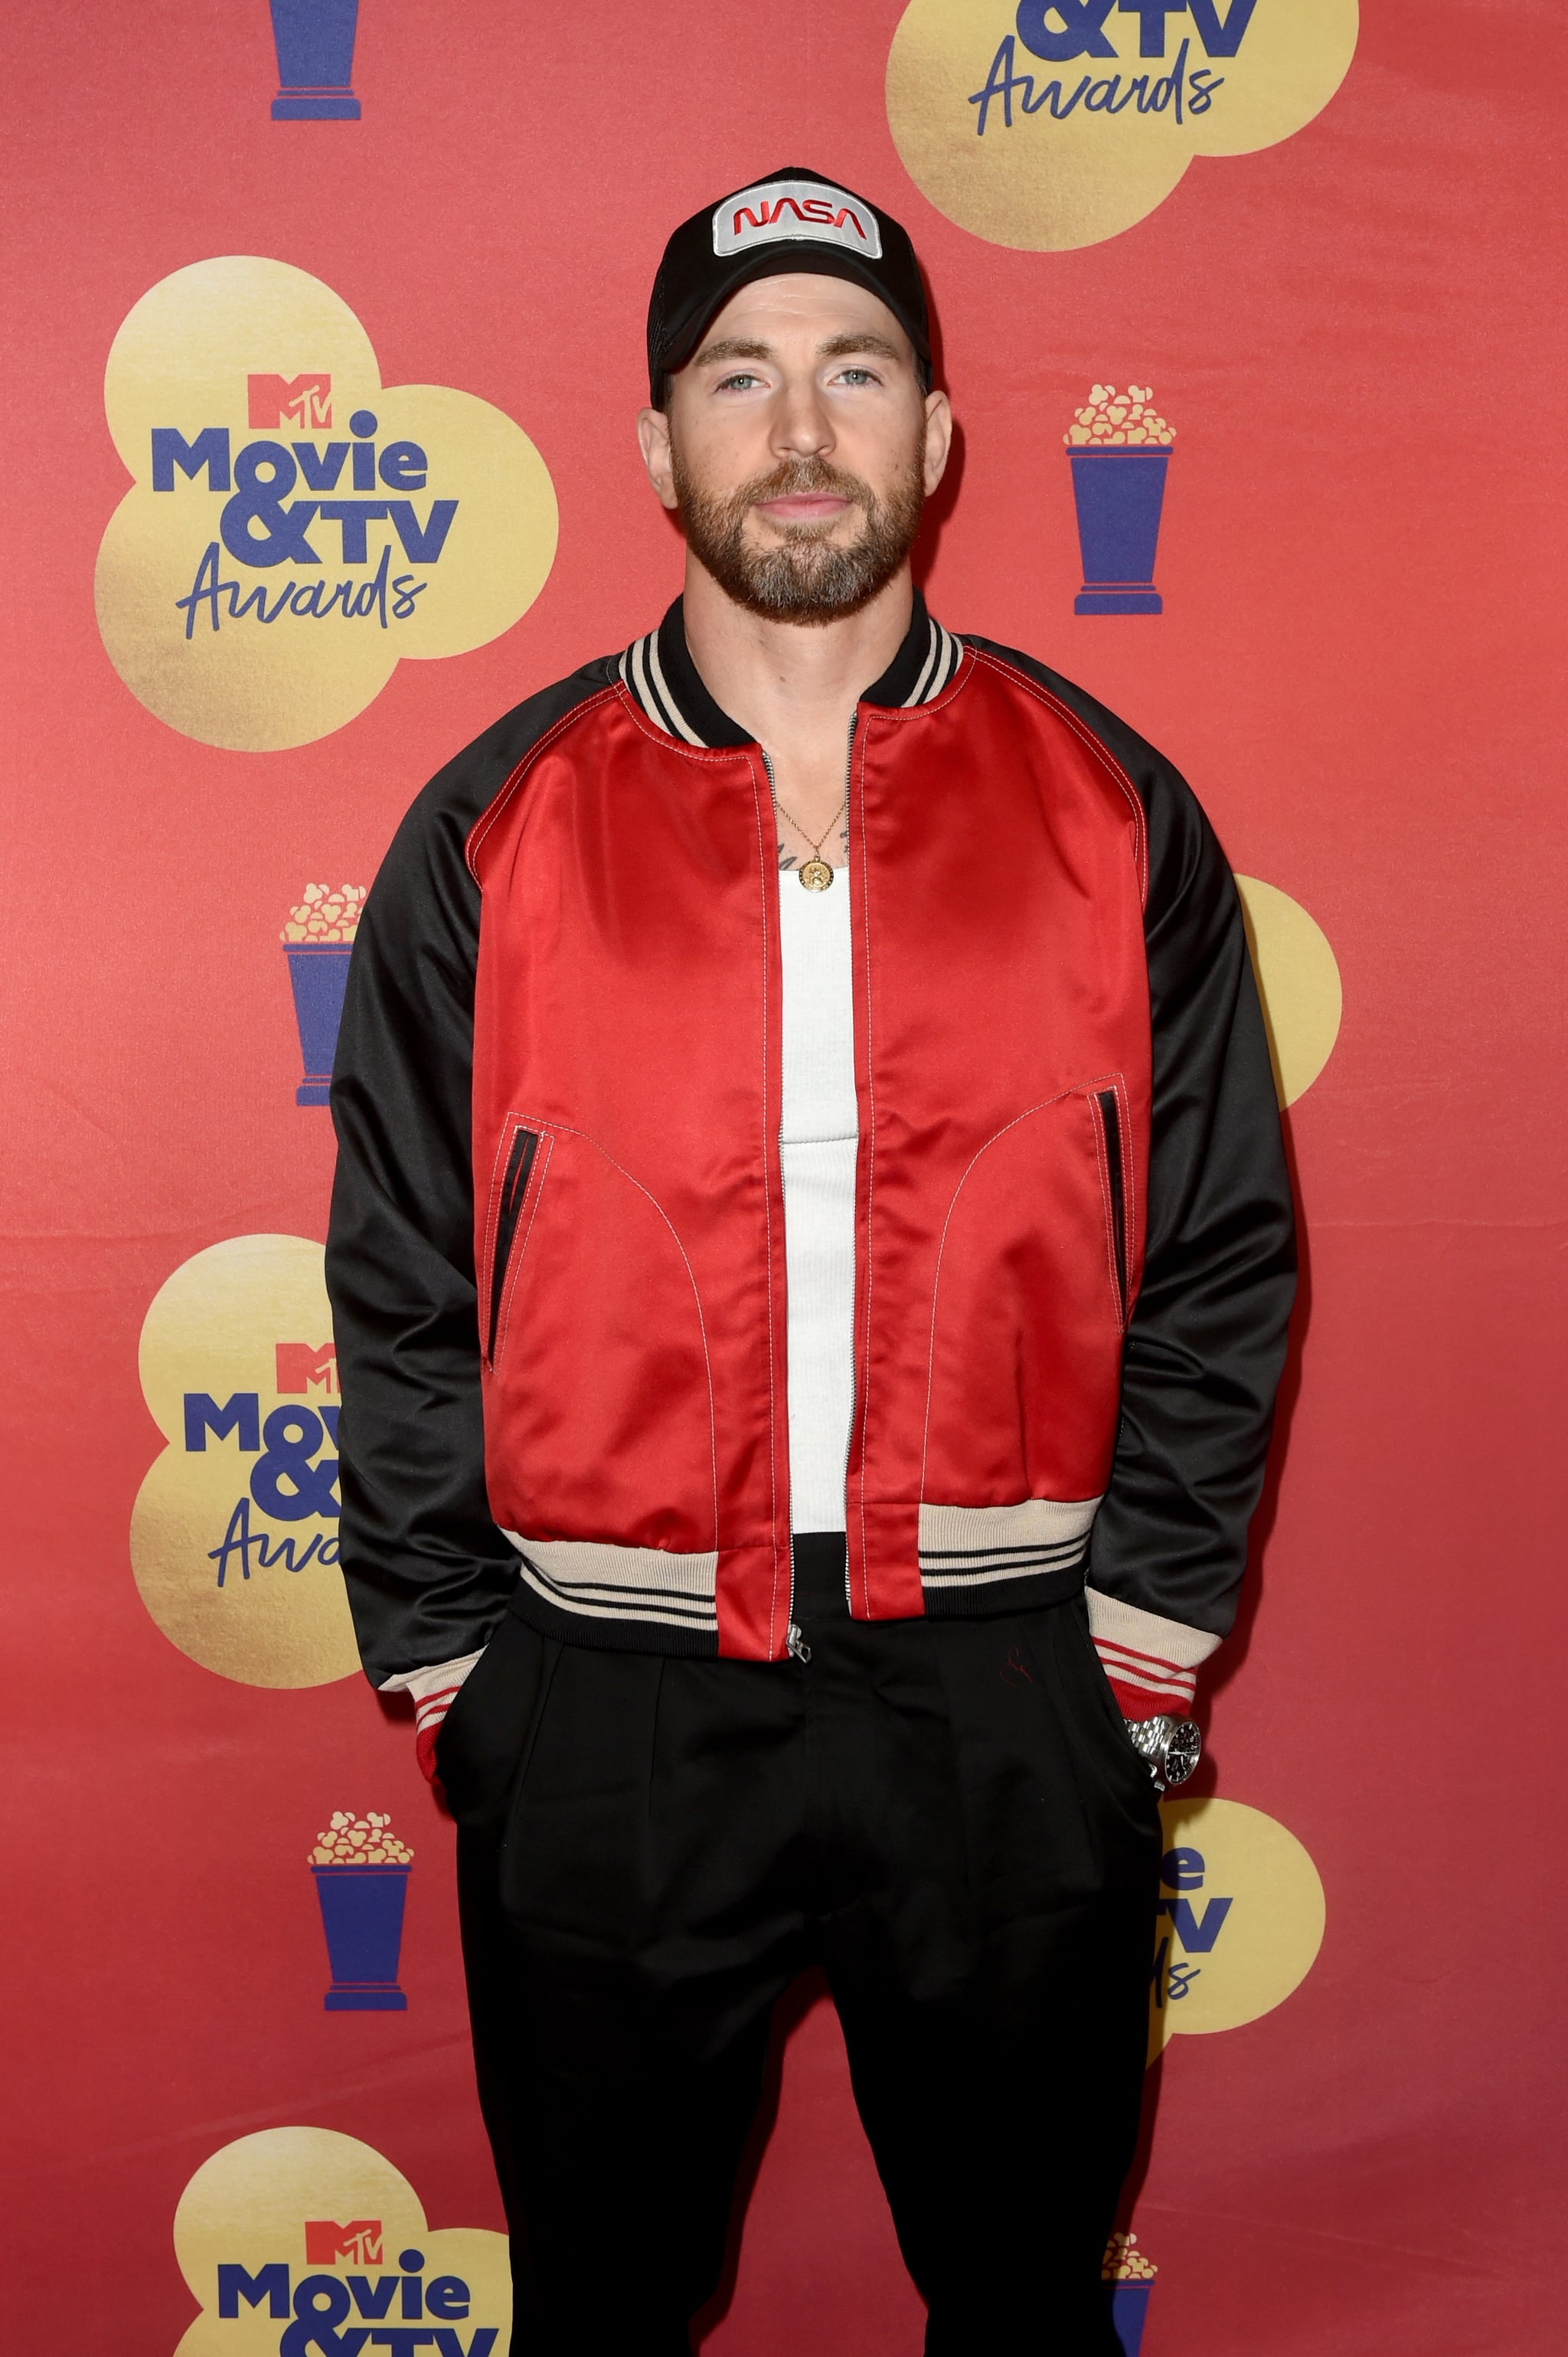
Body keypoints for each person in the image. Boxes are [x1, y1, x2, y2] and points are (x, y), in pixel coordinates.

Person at [326, 167, 1295, 2356]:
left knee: (1027, 2304)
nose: (798, 428)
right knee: (602, 2314)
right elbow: (396, 1270)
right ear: (656, 445)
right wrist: (468, 1679)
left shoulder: (1113, 808)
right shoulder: (496, 822)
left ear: (938, 434)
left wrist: (1134, 1651)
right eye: (738, 376)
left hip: (1014, 1688)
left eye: (853, 372)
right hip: (609, 1705)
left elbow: (1224, 1247)